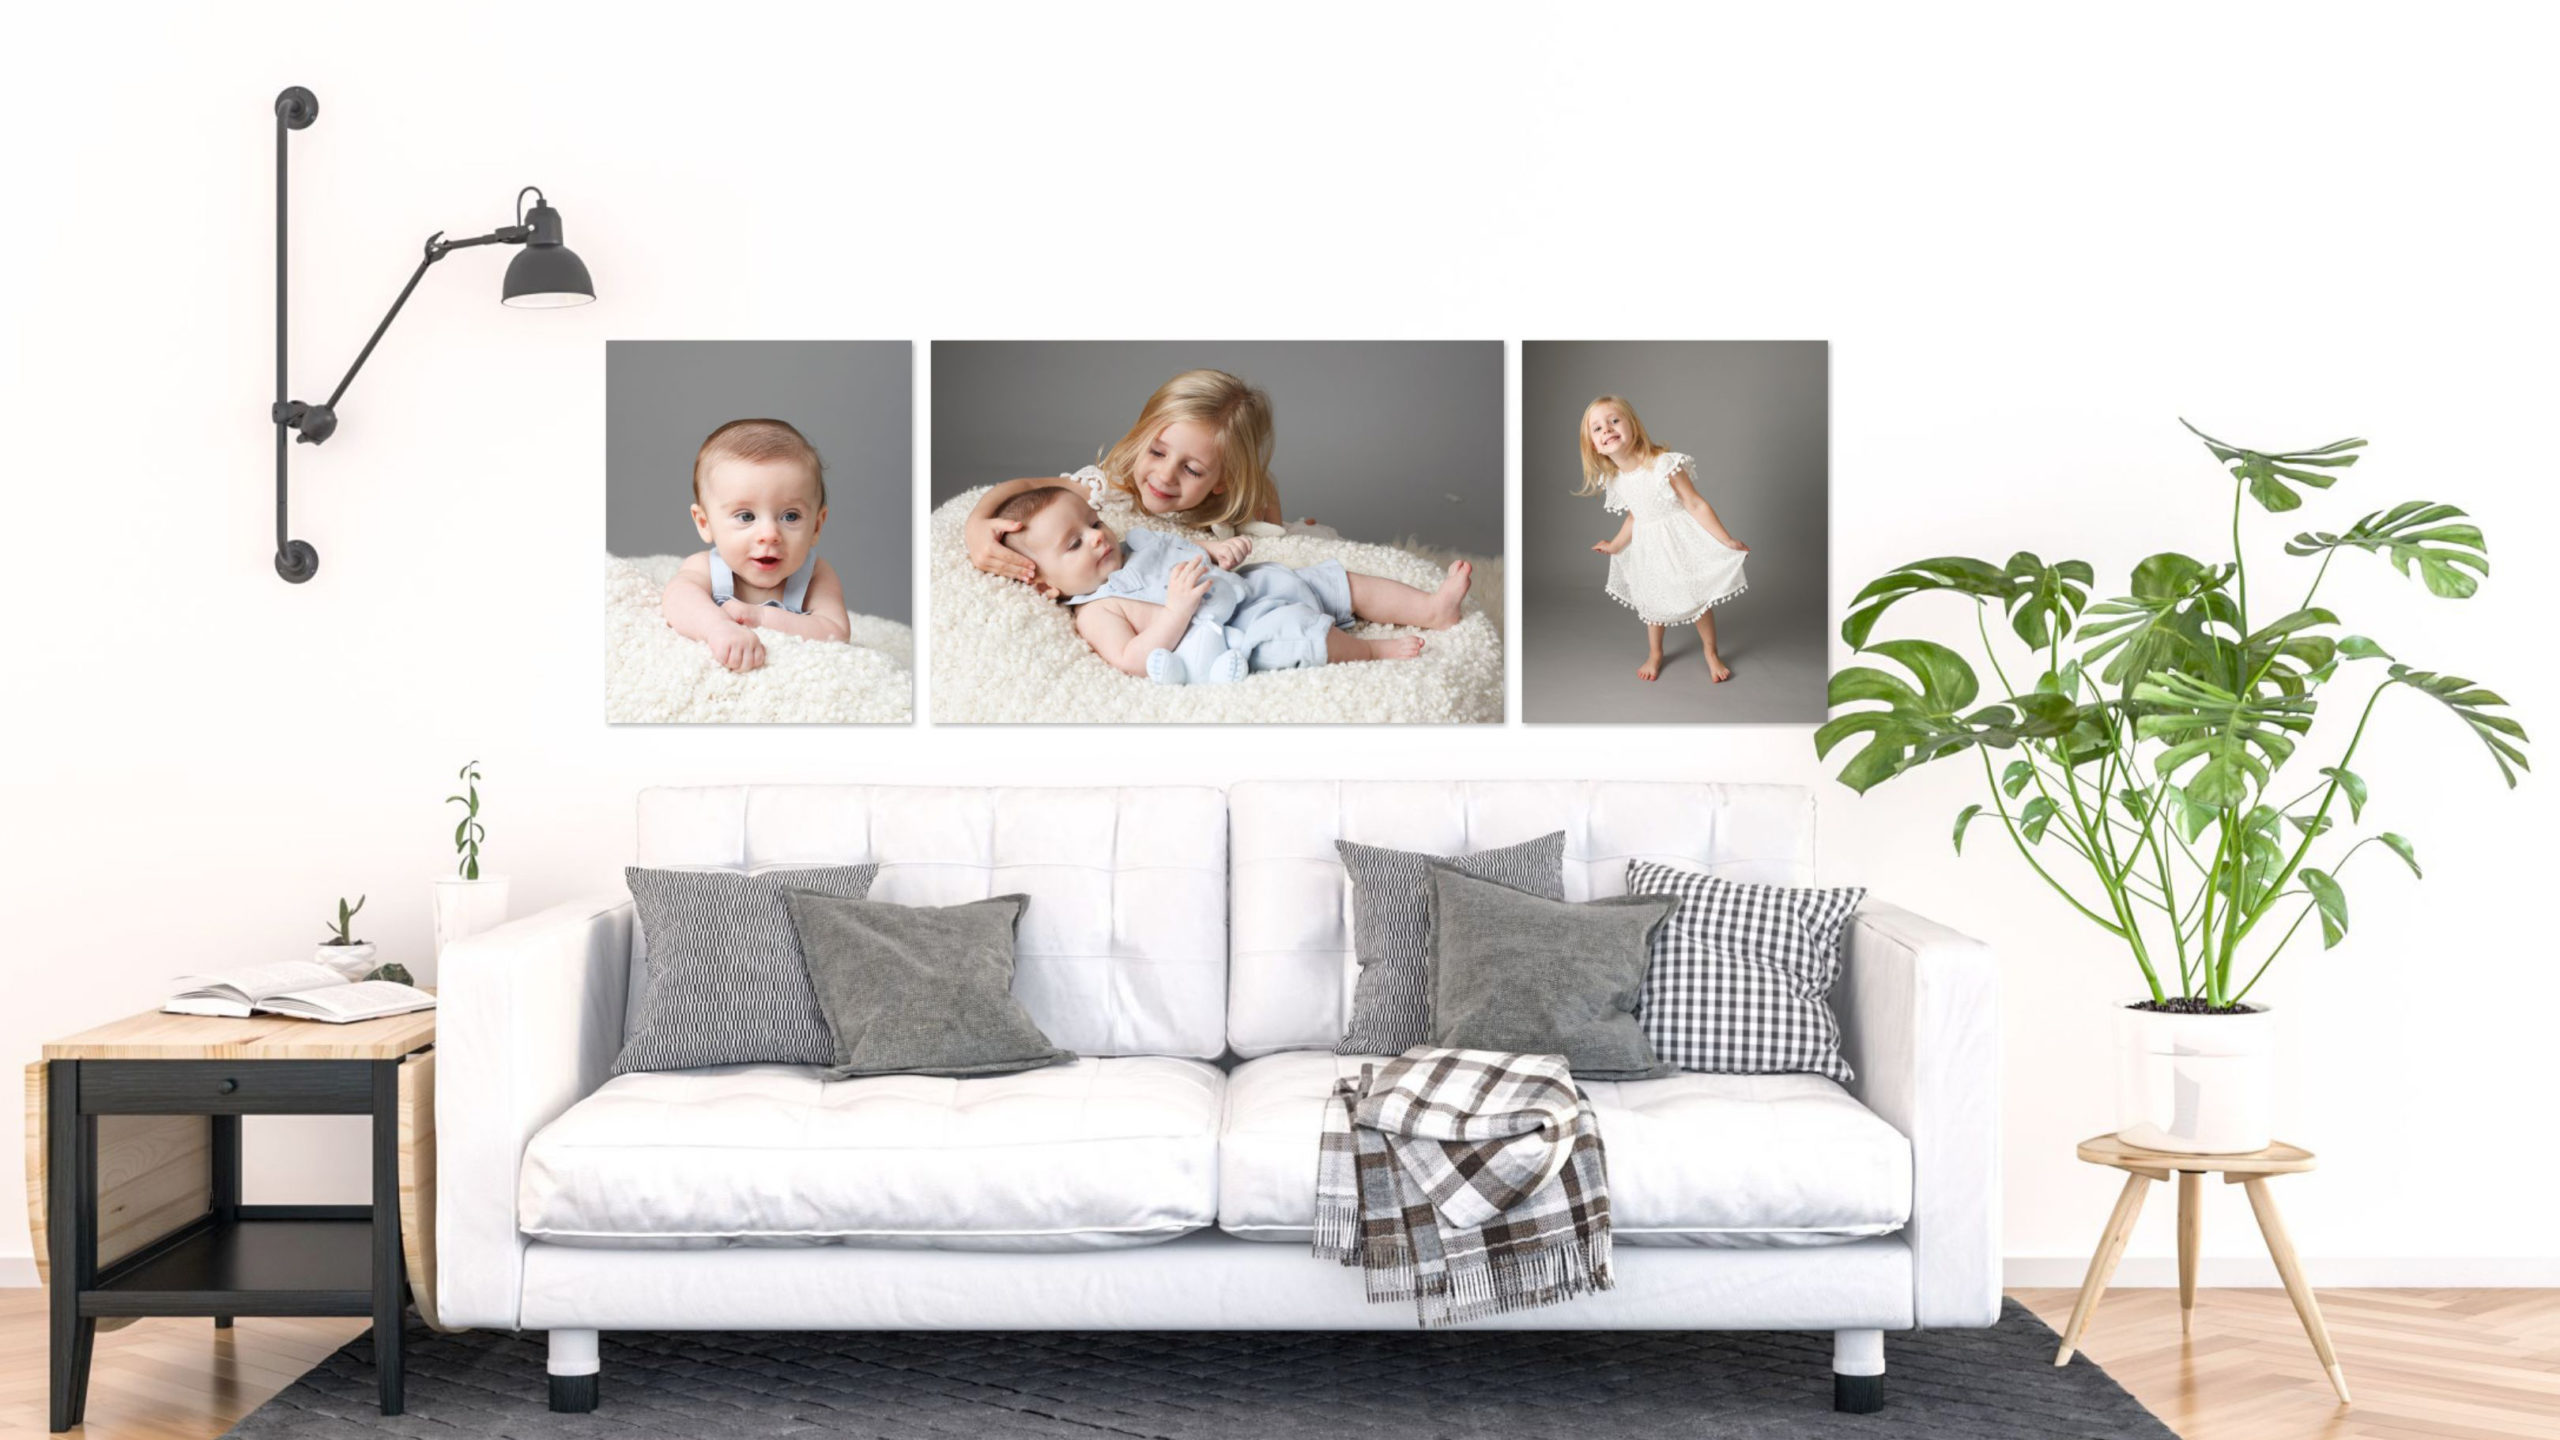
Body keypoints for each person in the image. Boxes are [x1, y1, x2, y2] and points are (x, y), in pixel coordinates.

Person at [993, 486, 1469, 683]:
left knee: (1337, 581)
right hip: (1235, 631)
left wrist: (1219, 552)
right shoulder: (1099, 609)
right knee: (1305, 635)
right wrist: (1176, 611)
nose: (1098, 537)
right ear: (1046, 586)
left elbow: (1187, 551)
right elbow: (1132, 659)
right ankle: (1372, 651)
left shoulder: (1135, 543)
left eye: (1094, 522)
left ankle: (1431, 609)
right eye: (1074, 544)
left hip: (1251, 584)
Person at [964, 368, 1332, 585]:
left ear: (1223, 482)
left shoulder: (1228, 505)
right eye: (1157, 452)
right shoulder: (1109, 491)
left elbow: (1264, 493)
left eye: (1192, 470)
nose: (1165, 476)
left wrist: (1284, 529)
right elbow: (1026, 486)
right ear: (1142, 439)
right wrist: (977, 524)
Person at [660, 418, 853, 673]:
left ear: (816, 526)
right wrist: (718, 627)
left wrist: (761, 618)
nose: (770, 535)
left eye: (790, 516)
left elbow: (835, 631)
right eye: (746, 516)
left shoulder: (816, 574)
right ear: (705, 523)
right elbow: (677, 599)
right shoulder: (705, 567)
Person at [1580, 395, 1750, 681]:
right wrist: (1615, 545)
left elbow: (1695, 503)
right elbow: (1635, 515)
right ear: (1594, 446)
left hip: (1678, 541)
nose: (1607, 429)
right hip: (1649, 547)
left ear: (1633, 426)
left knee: (1697, 598)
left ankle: (1711, 652)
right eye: (1597, 428)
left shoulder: (1663, 464)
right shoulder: (1618, 479)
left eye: (1614, 421)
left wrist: (1726, 540)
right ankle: (1655, 653)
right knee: (1652, 600)